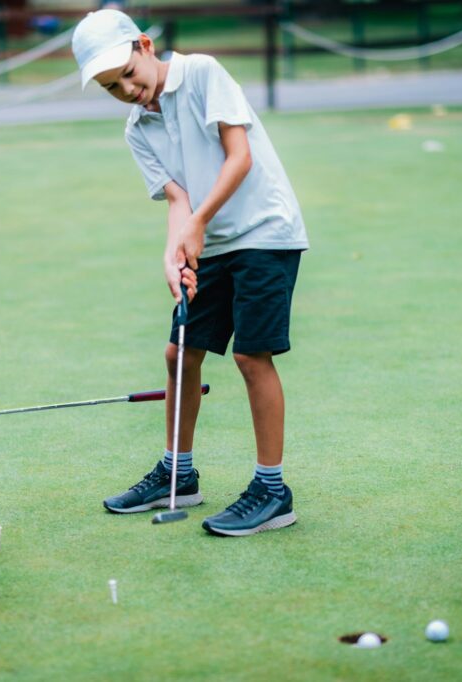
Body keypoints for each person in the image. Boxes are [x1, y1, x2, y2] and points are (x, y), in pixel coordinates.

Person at [71, 10, 309, 536]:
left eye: (128, 74)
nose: (127, 89)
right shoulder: (138, 129)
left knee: (251, 354)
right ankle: (178, 474)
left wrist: (198, 224)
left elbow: (239, 157)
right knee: (180, 352)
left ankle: (272, 489)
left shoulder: (202, 73)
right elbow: (177, 198)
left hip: (265, 231)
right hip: (214, 242)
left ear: (146, 46)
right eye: (112, 87)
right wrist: (173, 253)